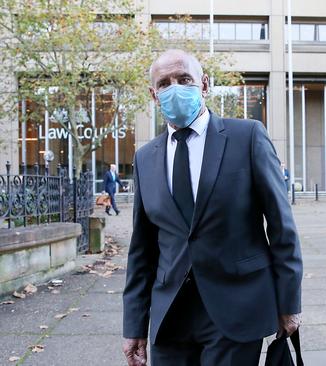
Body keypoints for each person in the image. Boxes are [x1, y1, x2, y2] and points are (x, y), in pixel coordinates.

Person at [122, 49, 303, 366]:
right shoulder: (145, 157)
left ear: (204, 85)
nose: (175, 87)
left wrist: (289, 303)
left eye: (184, 79)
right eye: (165, 83)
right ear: (154, 95)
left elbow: (282, 227)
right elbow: (142, 248)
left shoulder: (247, 137)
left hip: (235, 308)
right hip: (169, 317)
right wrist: (134, 324)